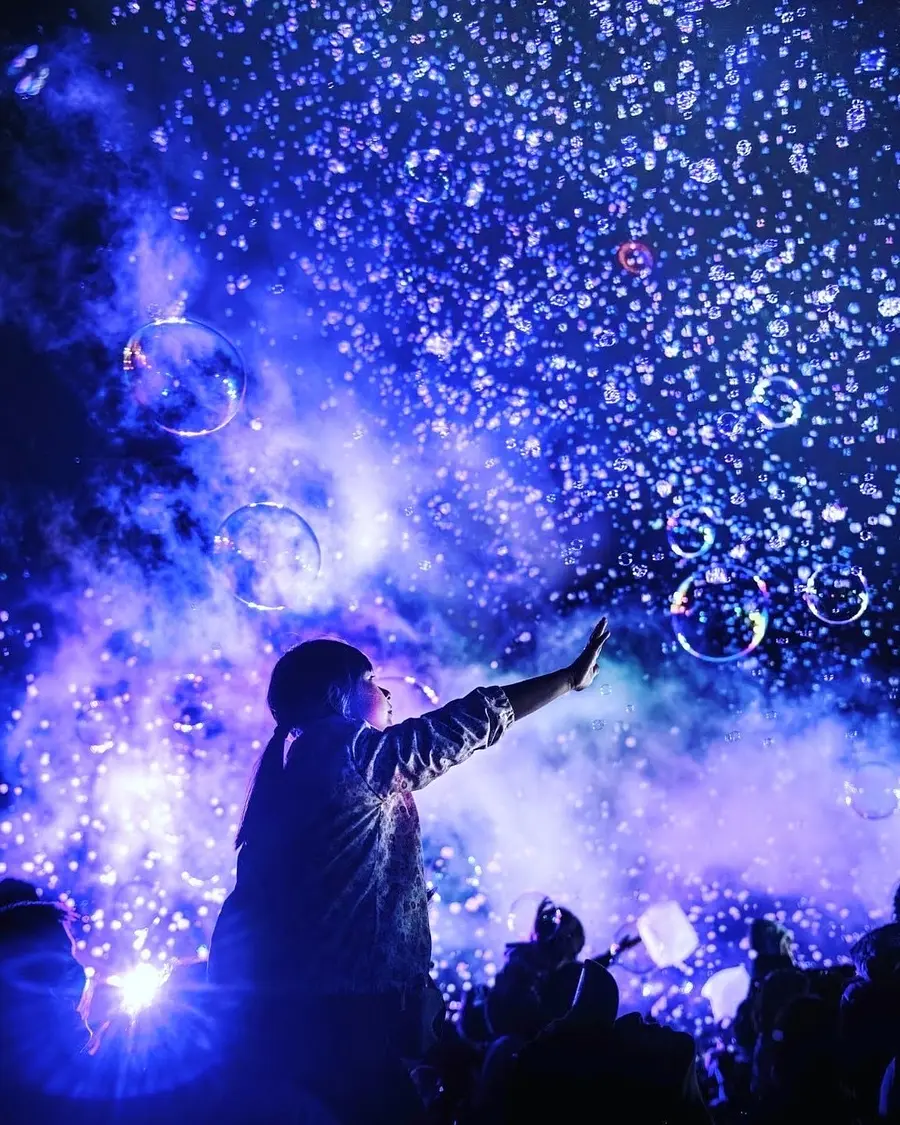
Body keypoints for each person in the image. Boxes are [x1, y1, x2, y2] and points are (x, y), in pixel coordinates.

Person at [208, 618, 611, 1124]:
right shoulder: (345, 748)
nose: (387, 694)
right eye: (372, 681)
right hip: (349, 1019)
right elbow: (466, 722)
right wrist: (566, 680)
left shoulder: (293, 773)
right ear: (338, 694)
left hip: (299, 1020)